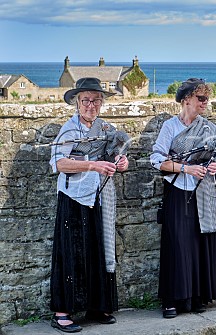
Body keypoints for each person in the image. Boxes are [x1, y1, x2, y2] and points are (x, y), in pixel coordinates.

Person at [49, 77, 129, 332]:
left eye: (95, 100)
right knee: (71, 253)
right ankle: (62, 312)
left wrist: (121, 161)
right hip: (74, 199)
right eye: (85, 100)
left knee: (97, 250)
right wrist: (92, 165)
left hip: (99, 196)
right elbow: (59, 164)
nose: (90, 105)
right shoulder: (69, 131)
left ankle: (97, 306)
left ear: (101, 102)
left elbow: (114, 155)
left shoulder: (106, 129)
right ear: (77, 102)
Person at [150, 78, 216, 318]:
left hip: (204, 193)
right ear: (186, 100)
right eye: (201, 98)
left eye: (207, 98)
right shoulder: (170, 127)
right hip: (178, 190)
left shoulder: (209, 128)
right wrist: (186, 168)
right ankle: (172, 300)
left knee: (198, 244)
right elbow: (156, 160)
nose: (205, 103)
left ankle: (197, 296)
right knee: (178, 245)